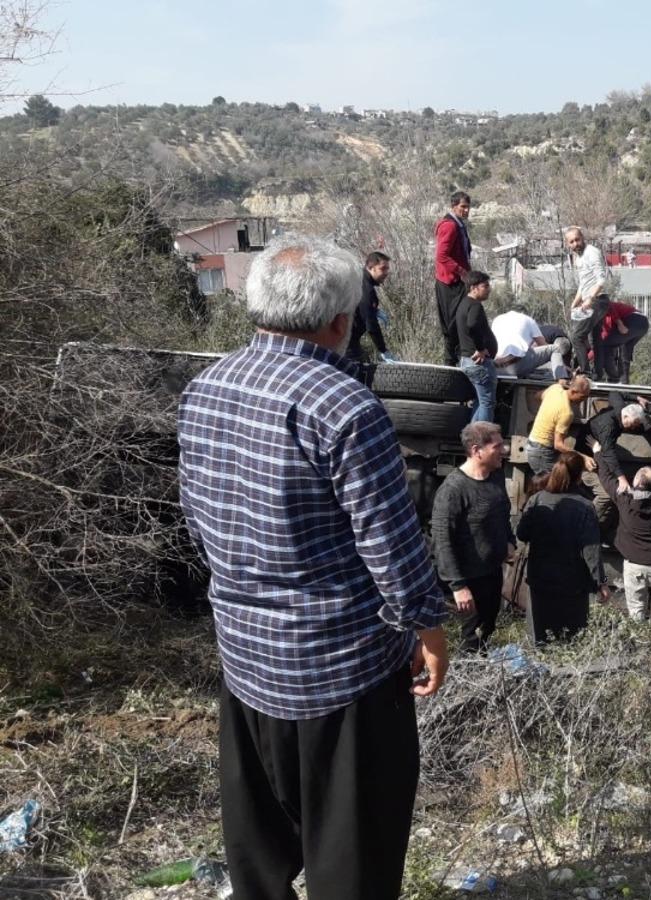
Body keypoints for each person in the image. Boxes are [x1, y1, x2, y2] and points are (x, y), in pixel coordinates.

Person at [177, 234, 449, 900]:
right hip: (343, 675)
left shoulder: (206, 387)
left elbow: (198, 519)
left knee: (260, 855)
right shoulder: (346, 408)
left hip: (245, 662)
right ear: (340, 319)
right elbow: (391, 546)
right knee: (351, 859)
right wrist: (430, 629)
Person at [431, 422, 516, 652]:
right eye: (497, 446)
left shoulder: (495, 478)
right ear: (477, 450)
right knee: (472, 639)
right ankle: (468, 679)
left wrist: (508, 541)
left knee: (486, 631)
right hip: (469, 580)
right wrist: (458, 587)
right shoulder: (453, 490)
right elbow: (442, 540)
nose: (504, 450)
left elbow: (502, 515)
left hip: (491, 573)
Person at [517, 451, 610, 643]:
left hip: (540, 578)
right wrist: (600, 582)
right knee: (570, 640)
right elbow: (591, 550)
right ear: (579, 476)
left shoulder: (537, 500)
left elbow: (522, 533)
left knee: (539, 639)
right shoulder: (585, 506)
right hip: (572, 581)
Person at [596, 456, 651, 627]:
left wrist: (598, 454)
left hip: (633, 564)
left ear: (635, 480)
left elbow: (606, 479)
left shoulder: (624, 499)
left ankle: (639, 640)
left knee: (636, 607)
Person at [525, 375, 593, 476]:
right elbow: (558, 445)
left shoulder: (555, 389)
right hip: (542, 453)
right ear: (573, 391)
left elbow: (537, 396)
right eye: (583, 396)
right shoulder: (566, 413)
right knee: (554, 486)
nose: (584, 400)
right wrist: (583, 457)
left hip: (532, 445)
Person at [435, 190, 472, 365]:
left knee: (460, 323)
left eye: (468, 207)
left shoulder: (459, 225)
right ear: (454, 206)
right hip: (450, 283)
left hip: (457, 282)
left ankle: (456, 360)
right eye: (463, 207)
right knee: (452, 326)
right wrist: (462, 273)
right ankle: (450, 363)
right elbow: (442, 256)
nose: (466, 211)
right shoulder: (449, 225)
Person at [566, 227, 610, 377]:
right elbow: (583, 284)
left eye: (577, 240)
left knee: (577, 336)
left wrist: (590, 298)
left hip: (597, 301)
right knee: (595, 339)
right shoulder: (578, 257)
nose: (575, 244)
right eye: (571, 242)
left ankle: (585, 373)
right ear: (568, 244)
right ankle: (598, 373)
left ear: (582, 238)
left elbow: (602, 279)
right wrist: (575, 302)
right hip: (591, 300)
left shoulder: (592, 252)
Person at [456, 271, 497, 423]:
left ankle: (473, 438)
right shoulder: (474, 306)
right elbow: (472, 325)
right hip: (479, 364)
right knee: (487, 403)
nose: (489, 289)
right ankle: (483, 441)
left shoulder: (463, 304)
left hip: (468, 361)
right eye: (485, 286)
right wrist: (480, 349)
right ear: (473, 288)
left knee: (481, 402)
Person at [491, 308, 570, 380]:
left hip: (494, 367)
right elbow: (544, 346)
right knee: (555, 349)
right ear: (522, 312)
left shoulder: (497, 320)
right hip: (515, 366)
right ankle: (561, 380)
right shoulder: (528, 320)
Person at [347, 251, 395, 364]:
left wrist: (375, 310)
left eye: (387, 269)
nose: (386, 272)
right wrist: (383, 350)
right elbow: (371, 325)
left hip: (346, 338)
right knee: (357, 373)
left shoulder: (360, 279)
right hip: (345, 341)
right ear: (371, 267)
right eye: (383, 268)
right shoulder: (366, 289)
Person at [597, 300, 649, 383]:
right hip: (644, 324)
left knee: (605, 346)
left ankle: (613, 378)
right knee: (625, 349)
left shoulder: (601, 306)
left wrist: (620, 323)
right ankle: (624, 380)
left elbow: (609, 304)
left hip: (634, 320)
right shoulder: (605, 319)